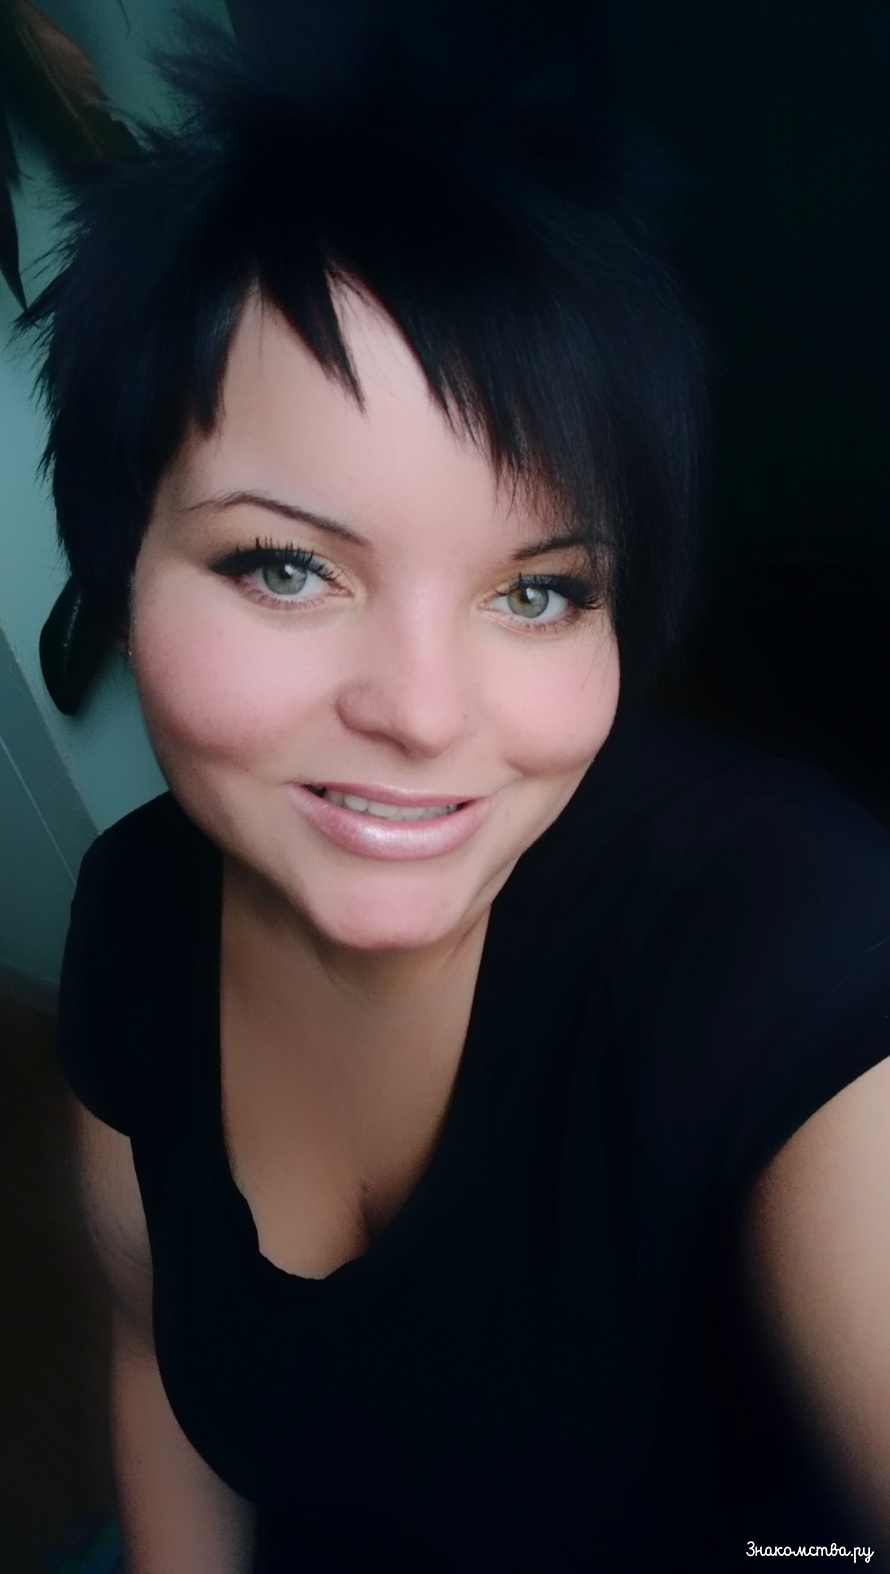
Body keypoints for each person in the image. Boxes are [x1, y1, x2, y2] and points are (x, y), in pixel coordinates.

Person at [24, 15, 890, 1572]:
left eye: (537, 589)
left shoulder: (773, 939)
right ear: (120, 570)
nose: (423, 714)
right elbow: (163, 1362)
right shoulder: (136, 910)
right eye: (284, 566)